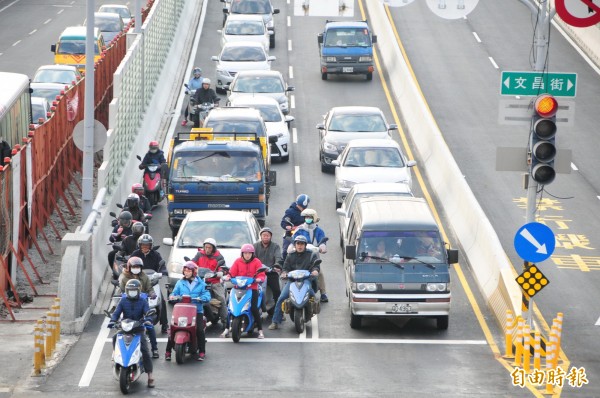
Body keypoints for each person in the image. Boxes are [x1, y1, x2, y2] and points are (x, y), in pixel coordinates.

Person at [108, 279, 155, 388]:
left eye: (134, 290)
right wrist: (112, 321)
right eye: (130, 290)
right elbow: (116, 313)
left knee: (145, 349)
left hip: (138, 328)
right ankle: (116, 356)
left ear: (138, 291)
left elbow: (148, 313)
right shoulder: (123, 301)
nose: (132, 292)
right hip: (125, 327)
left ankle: (150, 375)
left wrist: (148, 320)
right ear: (126, 291)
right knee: (115, 338)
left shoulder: (143, 301)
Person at [268, 235, 320, 330]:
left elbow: (315, 265)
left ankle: (313, 308)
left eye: (302, 244)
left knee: (313, 296)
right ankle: (275, 321)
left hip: (306, 280)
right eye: (298, 244)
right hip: (292, 281)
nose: (300, 246)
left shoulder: (311, 254)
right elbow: (285, 267)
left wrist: (315, 270)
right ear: (295, 245)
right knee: (281, 298)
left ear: (305, 245)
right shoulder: (290, 255)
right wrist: (284, 273)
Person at [166, 262, 211, 361]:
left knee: (199, 329)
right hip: (181, 309)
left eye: (189, 271)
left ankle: (202, 351)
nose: (186, 273)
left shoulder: (201, 283)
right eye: (185, 270)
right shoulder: (180, 283)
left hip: (196, 310)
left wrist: (201, 298)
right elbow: (174, 293)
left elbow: (207, 295)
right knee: (173, 328)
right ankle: (168, 351)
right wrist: (172, 296)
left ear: (194, 272)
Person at [118, 257, 159, 358]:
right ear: (129, 267)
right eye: (134, 266)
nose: (136, 268)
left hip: (142, 304)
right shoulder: (124, 277)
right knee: (119, 331)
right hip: (128, 304)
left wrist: (152, 293)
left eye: (138, 267)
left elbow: (149, 288)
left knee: (150, 326)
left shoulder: (144, 277)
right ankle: (118, 351)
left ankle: (154, 349)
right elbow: (121, 290)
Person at [222, 244, 266, 339]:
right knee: (229, 307)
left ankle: (260, 330)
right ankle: (226, 329)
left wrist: (259, 279)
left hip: (252, 288)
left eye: (249, 253)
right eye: (245, 253)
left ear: (252, 254)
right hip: (237, 288)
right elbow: (231, 273)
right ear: (242, 253)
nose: (247, 255)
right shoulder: (238, 261)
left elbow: (261, 274)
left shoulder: (256, 262)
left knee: (254, 308)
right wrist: (228, 277)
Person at [131, 234, 168, 334]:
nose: (145, 247)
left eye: (147, 245)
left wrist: (163, 272)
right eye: (143, 245)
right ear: (139, 245)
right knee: (126, 298)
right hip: (137, 282)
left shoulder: (156, 255)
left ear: (151, 246)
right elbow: (128, 266)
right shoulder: (135, 254)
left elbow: (162, 266)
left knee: (162, 301)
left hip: (152, 283)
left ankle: (165, 325)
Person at [290, 208, 329, 303]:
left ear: (314, 218)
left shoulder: (319, 230)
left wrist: (322, 247)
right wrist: (291, 247)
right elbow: (293, 240)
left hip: (313, 256)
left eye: (309, 217)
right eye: (306, 217)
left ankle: (323, 293)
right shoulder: (299, 229)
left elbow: (322, 241)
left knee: (319, 273)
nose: (307, 219)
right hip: (300, 255)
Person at [192, 238, 227, 326]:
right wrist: (189, 266)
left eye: (209, 248)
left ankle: (225, 321)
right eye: (206, 247)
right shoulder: (199, 254)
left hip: (214, 282)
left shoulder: (219, 256)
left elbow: (222, 266)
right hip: (200, 281)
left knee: (221, 299)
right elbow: (193, 263)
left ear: (213, 248)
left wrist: (220, 272)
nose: (207, 250)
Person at [253, 227, 283, 313]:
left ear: (271, 236)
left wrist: (277, 265)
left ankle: (279, 312)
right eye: (264, 235)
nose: (266, 237)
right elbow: (252, 258)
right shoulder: (255, 246)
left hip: (271, 272)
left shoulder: (275, 246)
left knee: (277, 291)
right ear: (261, 236)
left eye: (268, 235)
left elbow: (278, 257)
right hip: (258, 273)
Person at [280, 194, 310, 259]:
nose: (302, 208)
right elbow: (283, 223)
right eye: (300, 206)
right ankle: (284, 267)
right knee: (285, 252)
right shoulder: (290, 212)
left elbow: (312, 221)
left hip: (304, 235)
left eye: (303, 207)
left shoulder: (307, 212)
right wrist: (291, 228)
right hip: (291, 235)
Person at [107, 211, 134, 277]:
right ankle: (115, 272)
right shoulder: (117, 227)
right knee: (111, 254)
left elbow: (136, 237)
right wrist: (118, 234)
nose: (125, 224)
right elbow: (111, 239)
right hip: (120, 249)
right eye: (123, 222)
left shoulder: (133, 228)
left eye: (126, 222)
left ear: (130, 221)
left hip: (131, 248)